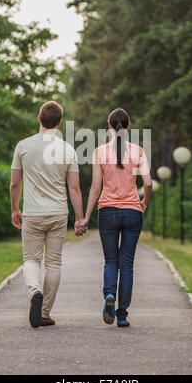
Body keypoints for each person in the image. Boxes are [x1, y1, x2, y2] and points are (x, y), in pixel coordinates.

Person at [10, 101, 85, 328]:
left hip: (32, 213)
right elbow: (74, 188)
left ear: (38, 118)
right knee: (53, 263)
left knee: (32, 258)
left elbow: (15, 183)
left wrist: (15, 209)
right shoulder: (68, 150)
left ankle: (34, 292)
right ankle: (43, 313)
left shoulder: (23, 146)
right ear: (59, 122)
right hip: (58, 213)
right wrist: (80, 218)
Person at [81, 108, 152, 327]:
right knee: (127, 264)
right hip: (132, 212)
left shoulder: (99, 152)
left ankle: (109, 295)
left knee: (111, 261)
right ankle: (122, 315)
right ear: (128, 127)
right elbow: (148, 183)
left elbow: (95, 187)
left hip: (108, 212)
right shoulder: (138, 151)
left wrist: (85, 217)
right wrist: (144, 203)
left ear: (109, 126)